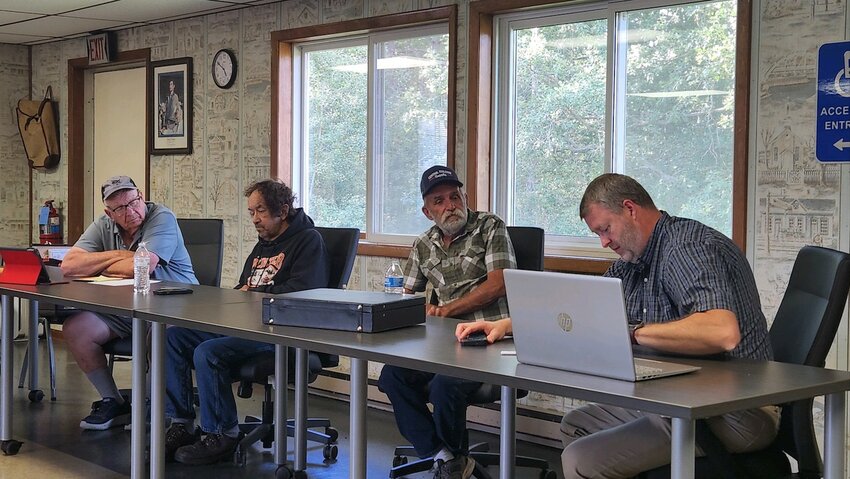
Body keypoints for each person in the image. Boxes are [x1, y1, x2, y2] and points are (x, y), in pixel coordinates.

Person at [457, 173, 778, 478]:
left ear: (629, 209)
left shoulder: (687, 248)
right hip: (679, 400)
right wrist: (508, 324)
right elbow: (583, 311)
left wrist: (631, 333)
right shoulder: (634, 260)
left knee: (580, 460)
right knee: (576, 424)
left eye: (605, 229)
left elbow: (721, 332)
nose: (603, 243)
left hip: (734, 411)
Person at [163, 179, 330, 465]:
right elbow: (245, 286)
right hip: (248, 325)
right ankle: (182, 423)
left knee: (208, 352)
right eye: (251, 212)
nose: (255, 219)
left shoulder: (308, 240)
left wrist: (254, 293)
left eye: (261, 211)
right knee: (173, 337)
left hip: (283, 334)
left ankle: (223, 435)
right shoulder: (264, 244)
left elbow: (303, 295)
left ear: (283, 210)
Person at [377, 165, 516, 479]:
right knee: (391, 376)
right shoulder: (423, 244)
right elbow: (405, 294)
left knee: (444, 384)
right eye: (439, 201)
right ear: (428, 212)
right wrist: (406, 307)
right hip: (441, 344)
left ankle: (449, 461)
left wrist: (448, 310)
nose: (450, 205)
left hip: (489, 339)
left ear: (465, 197)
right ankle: (445, 455)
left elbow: (498, 284)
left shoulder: (490, 227)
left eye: (455, 196)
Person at [60, 175, 197, 430]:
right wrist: (118, 255)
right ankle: (113, 400)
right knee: (76, 329)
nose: (130, 210)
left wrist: (101, 265)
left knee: (159, 335)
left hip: (174, 307)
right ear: (108, 213)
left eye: (133, 202)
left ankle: (152, 405)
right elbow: (69, 266)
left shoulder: (162, 217)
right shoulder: (103, 224)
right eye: (120, 208)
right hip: (127, 307)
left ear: (141, 197)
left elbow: (143, 266)